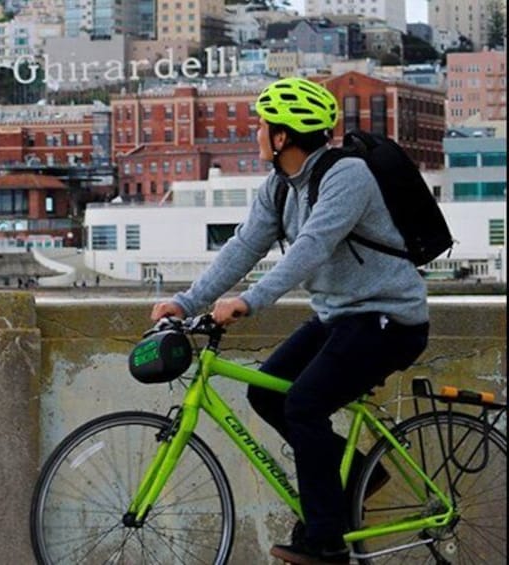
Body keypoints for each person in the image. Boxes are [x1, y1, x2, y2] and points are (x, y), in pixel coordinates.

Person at [151, 77, 429, 565]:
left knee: (303, 403)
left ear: (283, 137)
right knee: (266, 390)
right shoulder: (280, 186)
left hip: (389, 319)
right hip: (340, 316)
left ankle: (325, 540)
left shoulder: (347, 176)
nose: (257, 132)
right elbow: (243, 246)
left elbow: (312, 247)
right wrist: (187, 301)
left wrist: (251, 302)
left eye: (263, 125)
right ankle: (362, 473)